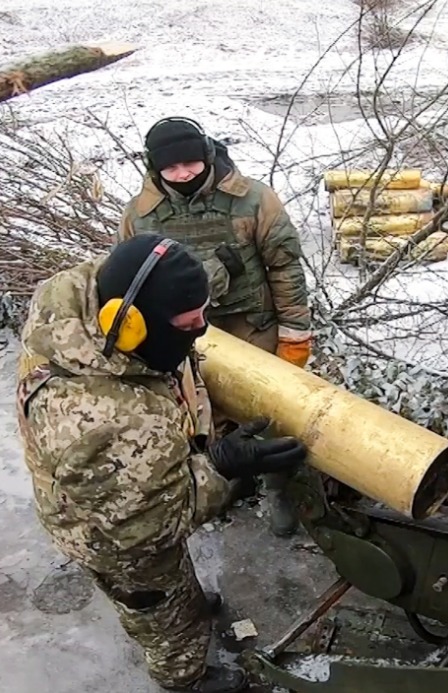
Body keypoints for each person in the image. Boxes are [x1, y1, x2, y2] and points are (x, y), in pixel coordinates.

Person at [15, 234, 308, 693]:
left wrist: (218, 270)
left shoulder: (91, 302)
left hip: (134, 483)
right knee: (157, 606)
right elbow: (151, 525)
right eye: (188, 324)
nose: (201, 331)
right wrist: (221, 467)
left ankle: (184, 602)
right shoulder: (102, 420)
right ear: (132, 326)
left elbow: (164, 284)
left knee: (174, 581)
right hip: (114, 533)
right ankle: (183, 677)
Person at [116, 116, 312, 538]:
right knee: (206, 412)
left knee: (270, 411)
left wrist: (295, 334)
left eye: (190, 163)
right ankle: (227, 478)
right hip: (186, 335)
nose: (183, 174)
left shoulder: (254, 199)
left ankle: (277, 486)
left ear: (206, 155)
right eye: (171, 167)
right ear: (154, 168)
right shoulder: (140, 215)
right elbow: (130, 281)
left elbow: (285, 268)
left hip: (251, 324)